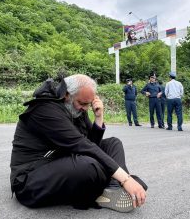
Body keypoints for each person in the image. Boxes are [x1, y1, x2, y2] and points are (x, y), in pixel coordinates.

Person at [10, 74, 147, 213]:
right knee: (88, 166)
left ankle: (113, 188)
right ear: (67, 95)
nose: (86, 108)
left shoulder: (75, 107)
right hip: (31, 178)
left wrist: (99, 118)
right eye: (83, 104)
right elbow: (83, 146)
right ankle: (111, 186)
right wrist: (126, 179)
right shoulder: (45, 109)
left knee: (113, 143)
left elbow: (92, 142)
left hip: (61, 160)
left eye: (89, 103)